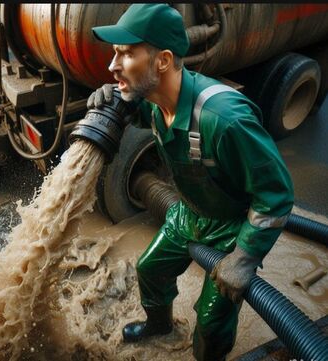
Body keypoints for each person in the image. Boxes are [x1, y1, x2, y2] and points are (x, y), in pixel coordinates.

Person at [87, 4, 294, 361]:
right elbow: (138, 112)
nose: (112, 65)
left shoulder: (225, 120)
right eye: (115, 53)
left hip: (231, 229)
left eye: (126, 53)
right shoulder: (154, 99)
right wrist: (113, 99)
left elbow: (275, 195)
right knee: (149, 269)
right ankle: (160, 325)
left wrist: (244, 259)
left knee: (212, 320)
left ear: (163, 61)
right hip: (188, 213)